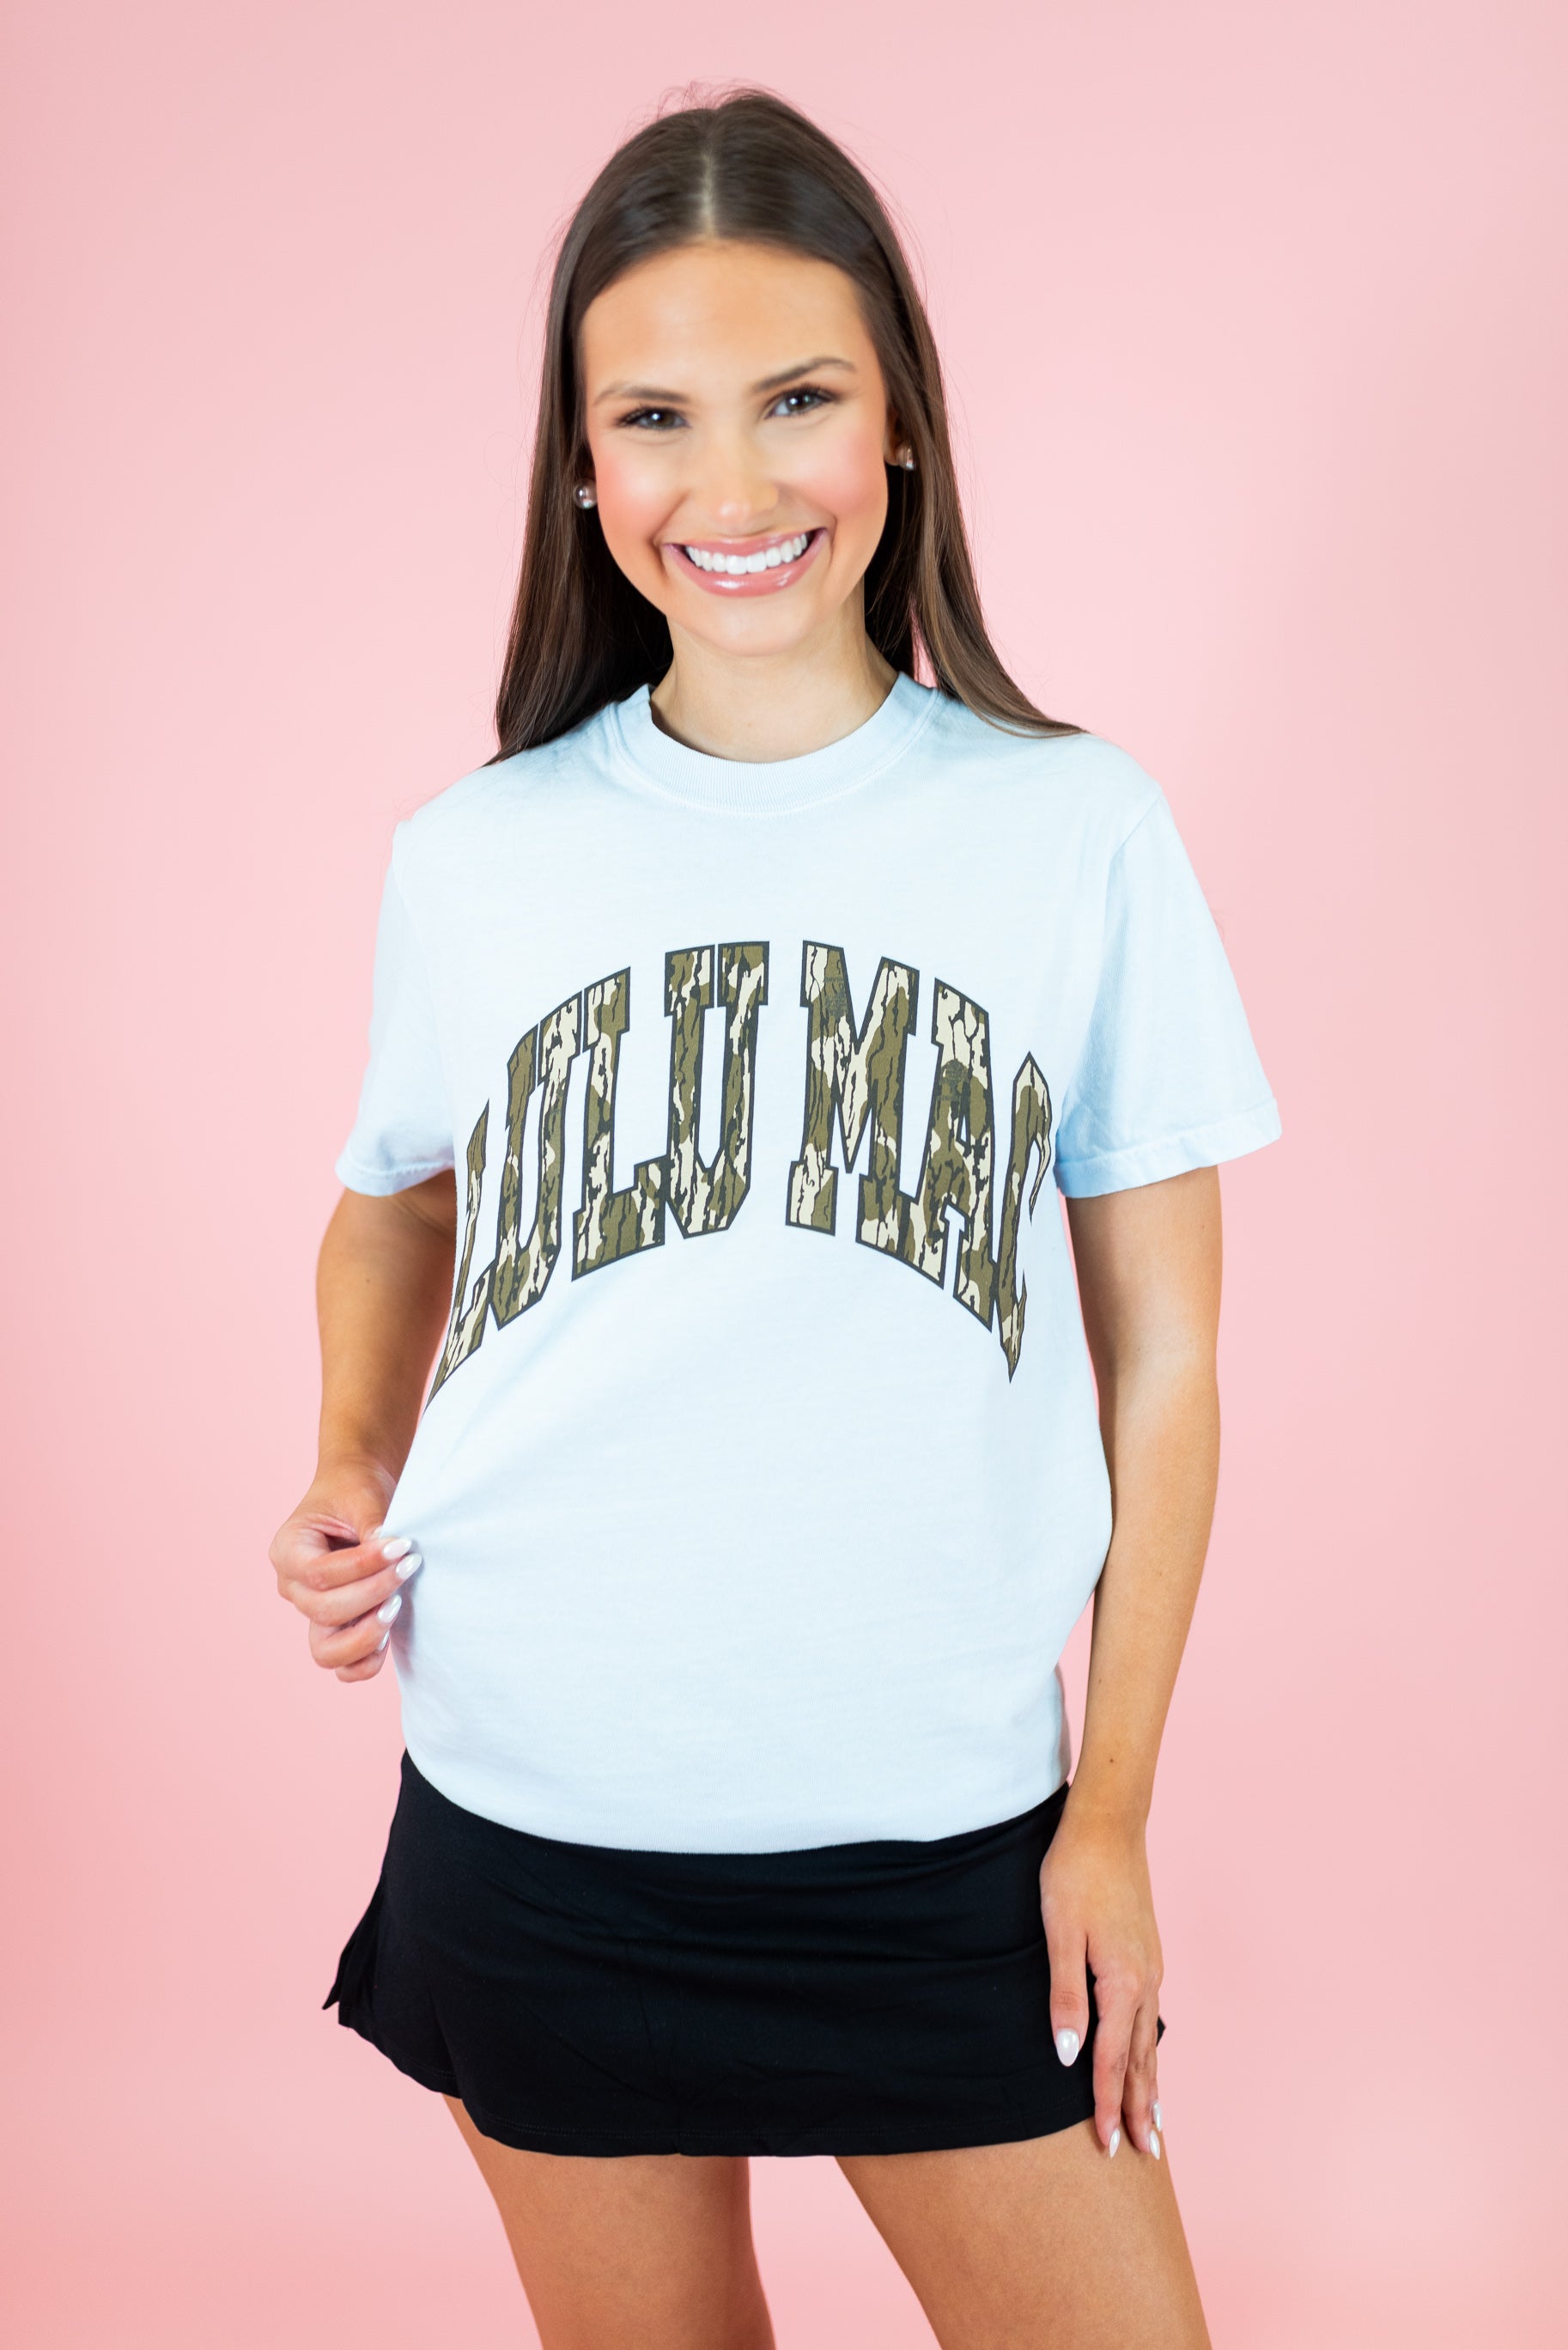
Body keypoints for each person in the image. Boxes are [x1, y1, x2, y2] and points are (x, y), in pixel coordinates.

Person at [269, 88, 1279, 2350]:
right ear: (581, 467)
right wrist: (349, 1453)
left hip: (942, 1841)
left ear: (901, 421)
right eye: (654, 417)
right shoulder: (478, 857)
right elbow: (392, 1201)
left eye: (797, 400)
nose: (729, 488)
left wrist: (1110, 1811)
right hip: (534, 1818)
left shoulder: (1072, 832)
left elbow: (1167, 1362)